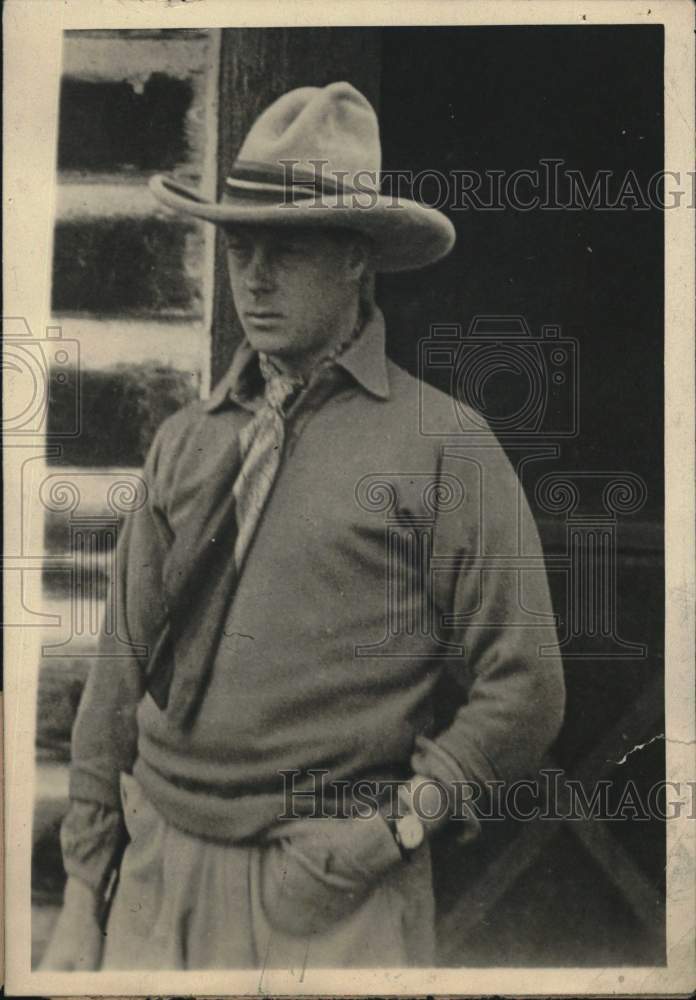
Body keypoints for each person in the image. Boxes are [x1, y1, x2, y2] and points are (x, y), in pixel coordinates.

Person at [42, 81, 565, 971]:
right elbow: (119, 670)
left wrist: (394, 832)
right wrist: (85, 898)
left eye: (286, 250)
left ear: (357, 257)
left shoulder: (443, 444)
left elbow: (528, 687)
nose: (253, 279)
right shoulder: (187, 441)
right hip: (158, 880)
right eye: (239, 247)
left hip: (330, 893)